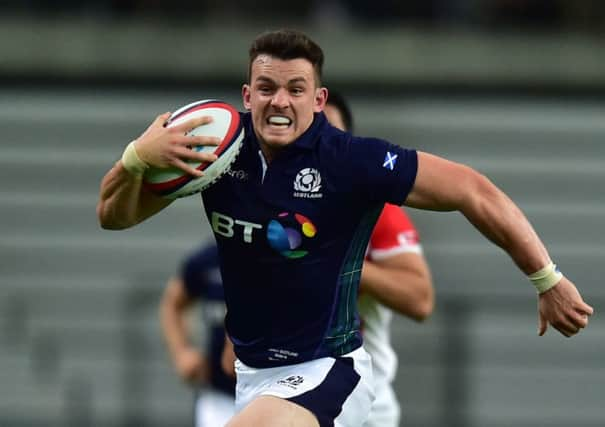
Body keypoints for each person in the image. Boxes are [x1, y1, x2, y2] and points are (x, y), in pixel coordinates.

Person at [97, 29, 593, 427]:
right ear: (248, 95)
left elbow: (472, 190)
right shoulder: (217, 151)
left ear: (318, 99)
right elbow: (113, 216)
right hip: (252, 377)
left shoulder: (350, 162)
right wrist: (137, 157)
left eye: (296, 90)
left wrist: (546, 278)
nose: (280, 102)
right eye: (267, 89)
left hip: (327, 370)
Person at [324, 91, 434, 427]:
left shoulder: (375, 212)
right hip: (281, 383)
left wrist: (342, 261)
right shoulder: (267, 205)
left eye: (330, 134)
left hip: (363, 397)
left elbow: (420, 299)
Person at [159, 243, 236, 427]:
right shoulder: (208, 260)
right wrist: (181, 352)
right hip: (219, 394)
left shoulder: (280, 259)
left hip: (273, 391)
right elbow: (172, 304)